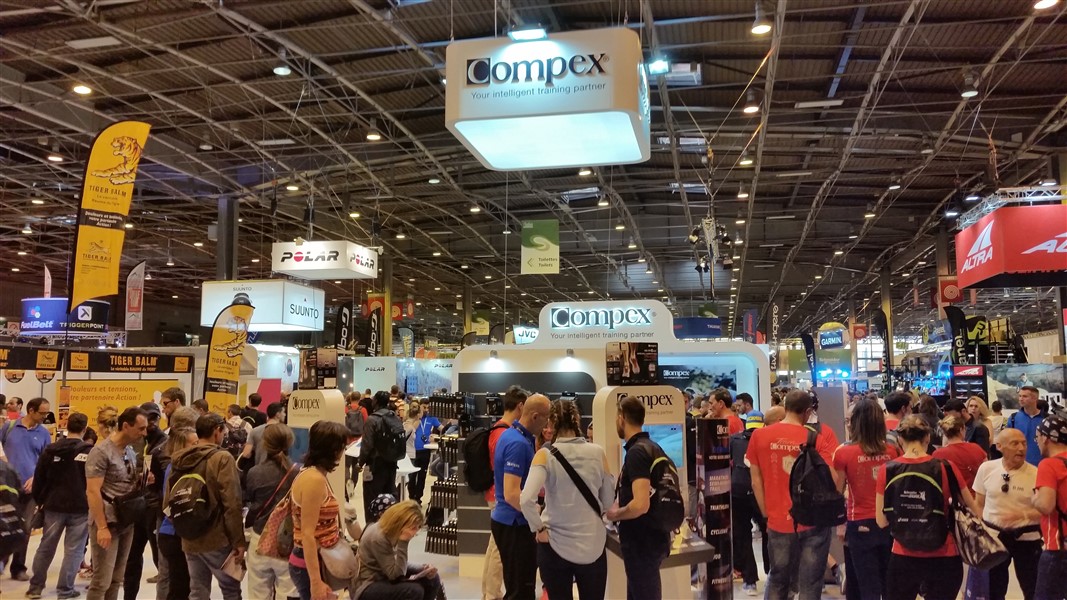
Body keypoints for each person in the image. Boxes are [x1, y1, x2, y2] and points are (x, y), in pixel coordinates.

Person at [746, 389, 839, 600]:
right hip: (812, 519)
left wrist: (766, 514)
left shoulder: (759, 435)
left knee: (778, 578)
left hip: (777, 520)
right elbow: (832, 479)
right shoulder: (815, 438)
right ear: (807, 412)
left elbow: (755, 481)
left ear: (785, 407)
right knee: (811, 582)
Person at [875, 415, 981, 600]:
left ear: (900, 439)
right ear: (928, 437)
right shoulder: (946, 467)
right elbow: (974, 510)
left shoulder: (887, 469)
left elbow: (881, 521)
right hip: (944, 553)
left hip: (903, 555)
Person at [519, 399, 613, 600]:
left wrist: (539, 529)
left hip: (554, 546)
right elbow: (607, 500)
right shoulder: (598, 453)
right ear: (577, 420)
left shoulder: (544, 455)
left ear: (551, 423)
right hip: (593, 545)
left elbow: (526, 499)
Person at [166, 413, 246, 600]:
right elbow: (232, 503)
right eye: (223, 432)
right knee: (231, 589)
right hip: (216, 537)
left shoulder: (179, 459)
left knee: (197, 590)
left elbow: (168, 502)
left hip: (189, 537)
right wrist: (238, 541)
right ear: (216, 431)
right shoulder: (222, 458)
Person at [604, 395, 673, 600]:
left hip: (642, 542)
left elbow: (641, 504)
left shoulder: (636, 453)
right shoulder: (652, 447)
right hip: (651, 538)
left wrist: (615, 514)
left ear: (622, 418)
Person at [832, 398, 899, 600]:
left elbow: (838, 492)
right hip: (889, 521)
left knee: (866, 586)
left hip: (859, 523)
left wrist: (840, 525)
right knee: (890, 582)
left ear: (856, 422)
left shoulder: (843, 453)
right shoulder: (893, 451)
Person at [287, 421, 362, 600]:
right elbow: (307, 534)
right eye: (342, 446)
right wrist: (315, 581)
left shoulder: (314, 474)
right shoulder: (314, 480)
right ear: (333, 450)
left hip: (316, 559)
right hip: (312, 562)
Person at [26, 412, 93, 600]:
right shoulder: (89, 452)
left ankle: (35, 588)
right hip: (80, 507)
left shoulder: (50, 450)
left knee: (46, 546)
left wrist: (41, 501)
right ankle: (65, 590)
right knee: (74, 550)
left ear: (67, 426)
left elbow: (39, 478)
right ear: (84, 429)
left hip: (53, 506)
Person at [490, 393, 550, 600]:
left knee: (520, 586)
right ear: (535, 416)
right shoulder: (518, 443)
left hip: (511, 522)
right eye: (546, 419)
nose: (547, 425)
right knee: (520, 590)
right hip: (515, 524)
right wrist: (537, 520)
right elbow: (512, 494)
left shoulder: (514, 436)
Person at [85, 407, 148, 600]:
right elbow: (92, 491)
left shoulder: (129, 450)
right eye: (141, 428)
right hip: (107, 522)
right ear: (126, 426)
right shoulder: (101, 452)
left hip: (126, 521)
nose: (144, 433)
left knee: (116, 578)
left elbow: (126, 480)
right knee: (101, 581)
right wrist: (102, 527)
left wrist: (143, 479)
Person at [973, 428, 1041, 600]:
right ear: (999, 446)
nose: (1021, 448)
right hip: (994, 539)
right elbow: (979, 504)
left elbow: (1046, 511)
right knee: (994, 589)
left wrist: (1022, 516)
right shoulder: (986, 468)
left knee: (1032, 587)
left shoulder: (1036, 474)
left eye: (1024, 443)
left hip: (1027, 540)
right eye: (1015, 444)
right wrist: (981, 532)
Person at [245, 423, 300, 600]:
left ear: (265, 444)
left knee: (257, 594)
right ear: (290, 443)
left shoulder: (255, 473)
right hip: (288, 541)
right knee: (289, 593)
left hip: (260, 538)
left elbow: (251, 501)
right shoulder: (298, 473)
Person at [0, 396, 52, 581]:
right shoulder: (9, 427)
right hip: (6, 489)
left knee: (25, 528)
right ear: (31, 410)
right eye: (42, 413)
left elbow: (47, 462)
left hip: (30, 489)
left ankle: (18, 567)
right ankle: (2, 562)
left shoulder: (44, 433)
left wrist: (36, 478)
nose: (45, 416)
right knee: (3, 525)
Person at [483, 385, 526, 600]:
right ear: (520, 406)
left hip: (496, 494)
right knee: (500, 551)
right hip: (501, 498)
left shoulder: (496, 430)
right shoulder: (506, 434)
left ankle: (489, 592)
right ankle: (492, 594)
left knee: (494, 547)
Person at [123, 402, 168, 599]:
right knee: (131, 558)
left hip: (154, 508)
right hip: (135, 506)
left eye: (155, 418)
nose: (152, 423)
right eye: (148, 418)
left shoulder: (165, 443)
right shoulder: (133, 442)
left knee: (161, 561)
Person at [352, 500, 442, 600]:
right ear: (401, 523)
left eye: (418, 527)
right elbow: (396, 575)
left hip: (384, 576)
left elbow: (396, 564)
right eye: (413, 528)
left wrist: (422, 568)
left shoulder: (393, 532)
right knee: (414, 591)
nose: (415, 533)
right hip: (368, 584)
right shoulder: (378, 537)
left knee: (432, 579)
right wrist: (404, 542)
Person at [155, 426, 197, 600]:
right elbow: (170, 506)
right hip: (173, 535)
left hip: (179, 534)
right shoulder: (175, 469)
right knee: (179, 588)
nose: (198, 446)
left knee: (185, 586)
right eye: (194, 443)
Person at [730, 411, 769, 596]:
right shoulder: (766, 439)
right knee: (768, 531)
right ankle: (771, 574)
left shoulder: (734, 440)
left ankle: (750, 580)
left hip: (738, 492)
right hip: (762, 492)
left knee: (743, 535)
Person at [1031, 413, 1067, 597]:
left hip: (1058, 549)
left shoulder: (1049, 464)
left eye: (1037, 437)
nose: (1037, 442)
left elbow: (1046, 505)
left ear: (1045, 438)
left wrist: (1034, 498)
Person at [360, 391, 405, 522]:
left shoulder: (372, 420)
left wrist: (360, 462)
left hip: (375, 465)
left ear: (376, 402)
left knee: (372, 499)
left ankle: (372, 527)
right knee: (390, 498)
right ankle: (390, 525)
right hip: (391, 463)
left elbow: (367, 445)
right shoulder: (394, 417)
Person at [933, 415, 987, 489]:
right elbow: (987, 471)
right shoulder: (976, 448)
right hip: (976, 493)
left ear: (945, 433)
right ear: (961, 430)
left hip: (951, 494)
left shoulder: (937, 454)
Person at [411, 399, 442, 505]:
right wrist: (418, 419)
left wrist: (438, 437)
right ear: (419, 406)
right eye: (424, 407)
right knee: (412, 476)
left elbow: (442, 428)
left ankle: (418, 498)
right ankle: (411, 497)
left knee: (422, 476)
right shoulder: (414, 417)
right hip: (413, 451)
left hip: (425, 450)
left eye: (428, 407)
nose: (426, 410)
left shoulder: (432, 418)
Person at [1010, 386, 1048, 466]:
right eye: (1020, 396)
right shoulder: (1013, 418)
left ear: (1035, 398)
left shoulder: (1047, 419)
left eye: (1025, 396)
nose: (1021, 399)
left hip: (1043, 465)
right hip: (1019, 465)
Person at [242, 402, 288, 467]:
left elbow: (246, 454)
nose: (285, 415)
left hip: (259, 468)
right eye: (283, 412)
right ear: (278, 414)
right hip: (278, 469)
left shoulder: (255, 431)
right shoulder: (284, 431)